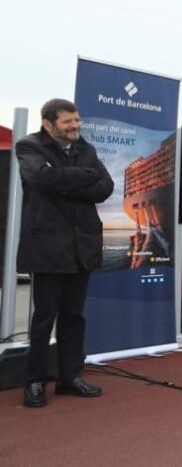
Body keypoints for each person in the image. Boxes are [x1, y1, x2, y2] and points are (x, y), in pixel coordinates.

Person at [17, 98, 114, 408]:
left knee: (74, 316)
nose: (75, 126)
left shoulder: (85, 148)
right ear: (48, 124)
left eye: (77, 120)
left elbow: (105, 187)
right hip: (48, 247)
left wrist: (63, 181)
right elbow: (41, 179)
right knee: (44, 318)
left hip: (81, 247)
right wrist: (84, 176)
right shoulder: (29, 146)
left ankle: (70, 377)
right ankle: (34, 381)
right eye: (68, 121)